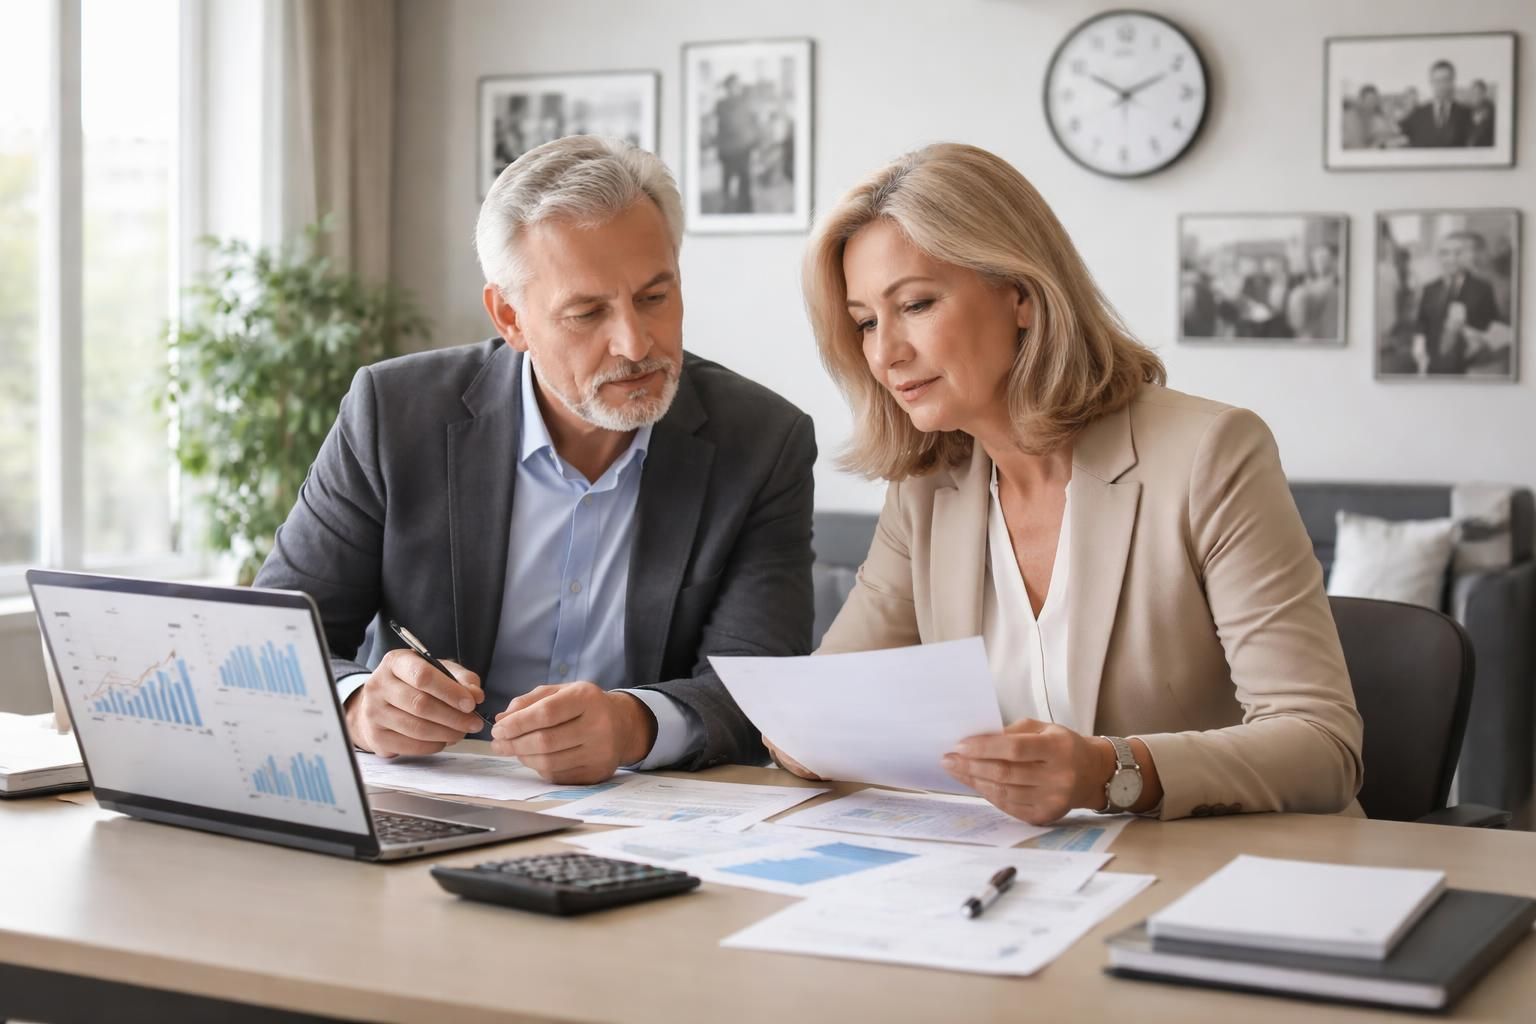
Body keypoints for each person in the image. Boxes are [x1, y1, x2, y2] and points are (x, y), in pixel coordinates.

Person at [774, 143, 1363, 824]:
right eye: (865, 323)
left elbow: (1323, 744)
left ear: (1020, 295)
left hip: (1221, 877)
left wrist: (1108, 772)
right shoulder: (928, 489)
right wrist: (799, 732)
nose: (885, 353)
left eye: (916, 305)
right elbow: (826, 701)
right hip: (1021, 881)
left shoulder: (1211, 453)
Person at [253, 136, 817, 783]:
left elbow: (760, 687)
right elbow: (274, 640)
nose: (636, 343)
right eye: (587, 313)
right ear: (510, 317)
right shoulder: (394, 414)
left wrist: (634, 724)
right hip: (435, 795)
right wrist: (357, 704)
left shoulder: (763, 442)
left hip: (643, 815)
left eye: (655, 298)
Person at [1415, 231, 1502, 374]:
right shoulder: (1429, 289)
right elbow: (1422, 323)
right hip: (1433, 366)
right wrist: (1419, 347)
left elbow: (1496, 326)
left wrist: (1478, 340)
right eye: (1445, 253)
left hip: (1471, 367)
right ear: (1439, 257)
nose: (1451, 259)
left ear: (1467, 256)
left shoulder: (1483, 289)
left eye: (1458, 253)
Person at [1400, 60, 1473, 148]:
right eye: (1437, 81)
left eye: (1446, 80)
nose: (1442, 86)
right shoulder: (1417, 114)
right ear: (1431, 82)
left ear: (1453, 81)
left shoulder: (1467, 114)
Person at [713, 75, 758, 213]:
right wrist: (719, 149)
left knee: (745, 177)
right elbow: (720, 127)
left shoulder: (747, 104)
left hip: (744, 148)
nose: (735, 89)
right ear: (727, 88)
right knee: (727, 178)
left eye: (737, 86)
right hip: (728, 149)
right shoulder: (721, 105)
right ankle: (726, 204)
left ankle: (745, 207)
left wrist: (754, 144)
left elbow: (752, 125)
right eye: (732, 86)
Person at [1287, 243, 1341, 340]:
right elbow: (1296, 323)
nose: (1318, 262)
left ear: (1335, 260)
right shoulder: (1306, 288)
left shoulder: (1338, 287)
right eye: (1315, 259)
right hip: (1311, 340)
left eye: (1323, 258)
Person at [1467, 79, 1496, 147]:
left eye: (1479, 93)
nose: (1476, 96)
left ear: (1484, 93)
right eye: (1474, 93)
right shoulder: (1471, 108)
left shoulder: (1490, 108)